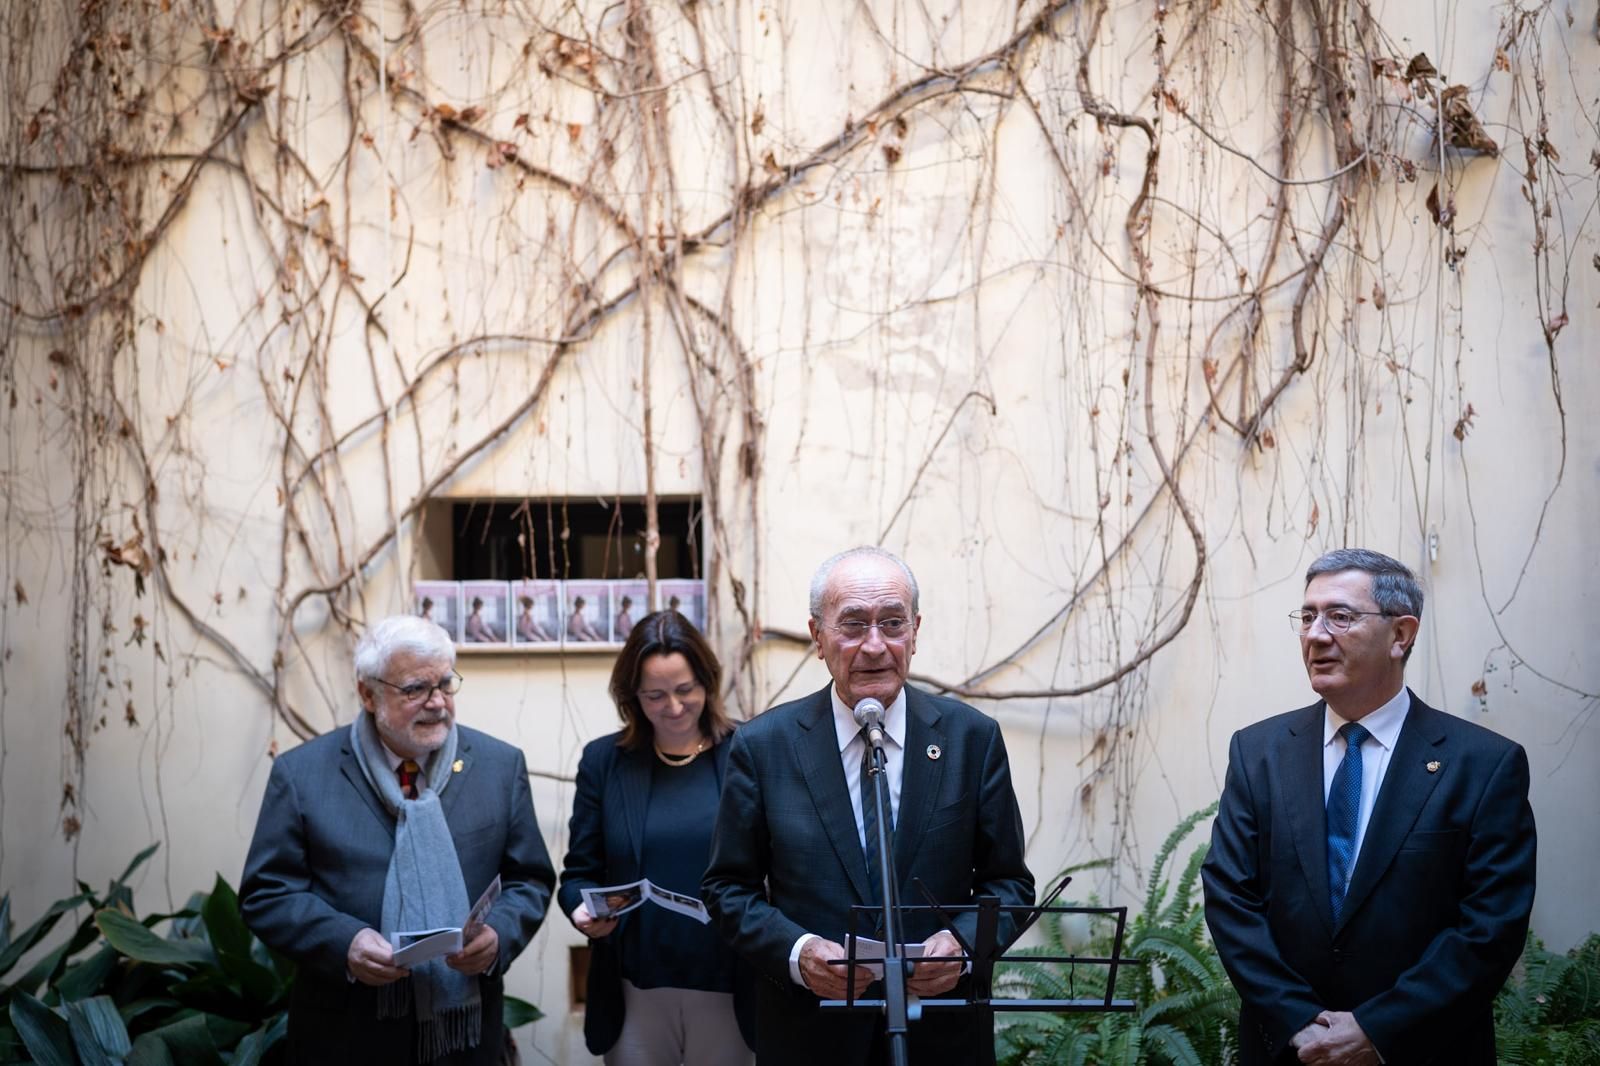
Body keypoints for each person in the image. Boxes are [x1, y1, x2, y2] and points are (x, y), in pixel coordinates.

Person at [1202, 549, 1536, 1066]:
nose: (1315, 635)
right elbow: (1230, 898)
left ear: (1401, 634)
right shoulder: (1257, 752)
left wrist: (1377, 1029)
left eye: (1340, 616)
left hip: (1424, 1051)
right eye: (1308, 616)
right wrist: (1298, 1021)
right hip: (1290, 1051)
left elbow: (1491, 928)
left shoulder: (1484, 765)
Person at [702, 547, 1034, 1066]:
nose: (875, 645)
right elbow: (727, 888)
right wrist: (798, 953)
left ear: (915, 632)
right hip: (812, 1035)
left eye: (892, 623)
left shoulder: (972, 738)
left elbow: (1009, 883)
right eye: (853, 624)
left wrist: (964, 945)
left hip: (941, 1036)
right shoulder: (763, 746)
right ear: (818, 637)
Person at [241, 615, 556, 1064]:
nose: (437, 702)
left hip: (463, 1044)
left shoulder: (499, 767)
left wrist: (499, 935)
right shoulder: (302, 775)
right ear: (368, 694)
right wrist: (345, 943)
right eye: (415, 689)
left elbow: (531, 880)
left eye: (445, 684)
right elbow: (266, 894)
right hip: (346, 1037)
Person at [558, 610, 755, 1064]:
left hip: (730, 983)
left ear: (708, 682)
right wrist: (581, 911)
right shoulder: (604, 761)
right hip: (634, 988)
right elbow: (578, 875)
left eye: (686, 690)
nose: (674, 707)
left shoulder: (747, 751)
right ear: (632, 696)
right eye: (655, 695)